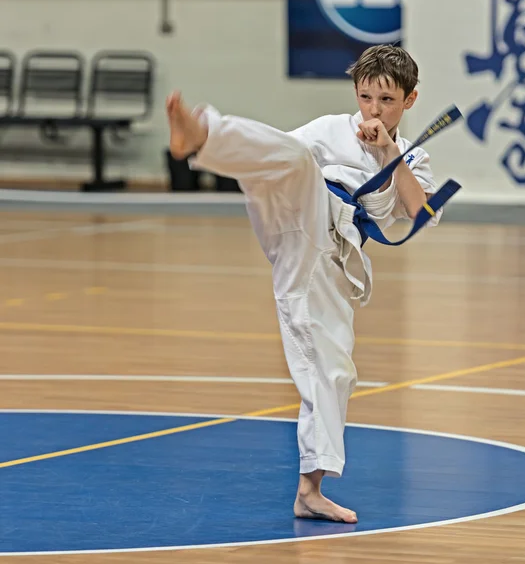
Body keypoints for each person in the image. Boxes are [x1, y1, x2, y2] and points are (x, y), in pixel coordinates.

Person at [166, 45, 442, 524]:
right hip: (294, 208)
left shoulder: (412, 158)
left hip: (330, 255)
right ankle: (202, 134)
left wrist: (389, 153)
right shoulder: (331, 129)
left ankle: (309, 492)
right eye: (365, 97)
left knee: (332, 369)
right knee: (291, 155)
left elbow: (419, 212)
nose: (373, 110)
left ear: (409, 101)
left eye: (386, 100)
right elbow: (271, 152)